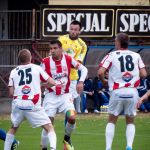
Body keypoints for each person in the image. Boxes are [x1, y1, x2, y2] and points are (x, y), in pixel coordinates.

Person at [98, 33, 147, 150]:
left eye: (115, 40)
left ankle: (108, 148)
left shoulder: (111, 55)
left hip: (117, 91)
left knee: (112, 120)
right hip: (132, 92)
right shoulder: (136, 55)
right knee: (130, 121)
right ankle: (129, 146)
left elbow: (100, 72)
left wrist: (104, 80)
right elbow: (144, 74)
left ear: (118, 42)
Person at [4, 49, 57, 150]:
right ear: (30, 58)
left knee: (13, 128)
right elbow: (52, 82)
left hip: (18, 104)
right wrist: (42, 85)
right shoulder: (36, 68)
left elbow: (11, 92)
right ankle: (53, 148)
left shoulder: (13, 71)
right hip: (32, 104)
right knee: (49, 127)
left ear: (19, 60)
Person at [40, 40, 87, 150]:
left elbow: (84, 69)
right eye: (51, 48)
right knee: (48, 124)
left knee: (72, 117)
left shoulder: (68, 59)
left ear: (61, 49)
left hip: (65, 95)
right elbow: (38, 79)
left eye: (55, 48)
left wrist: (81, 82)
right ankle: (44, 148)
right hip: (50, 96)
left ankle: (67, 139)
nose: (52, 51)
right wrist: (45, 84)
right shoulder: (45, 62)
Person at [58, 20, 87, 113]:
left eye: (75, 29)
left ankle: (74, 114)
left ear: (79, 31)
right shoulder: (61, 39)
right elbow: (52, 54)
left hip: (72, 76)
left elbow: (77, 63)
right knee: (57, 96)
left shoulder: (82, 45)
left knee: (71, 98)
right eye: (71, 29)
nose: (73, 31)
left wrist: (64, 60)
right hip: (58, 74)